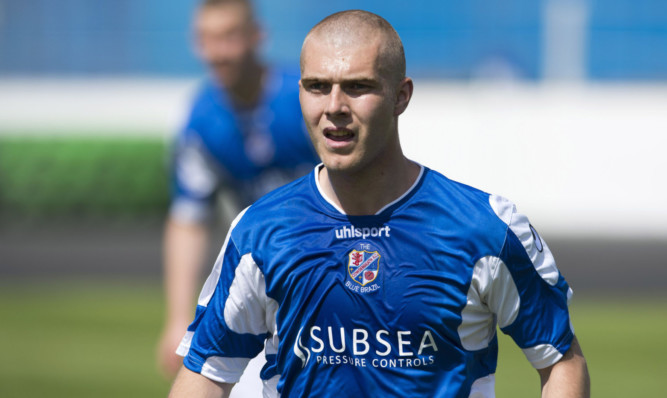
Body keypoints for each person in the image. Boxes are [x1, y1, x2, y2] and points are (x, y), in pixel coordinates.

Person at [169, 9, 590, 397]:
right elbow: (206, 373)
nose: (334, 107)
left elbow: (560, 362)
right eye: (318, 87)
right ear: (301, 93)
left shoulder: (483, 229)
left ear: (401, 96)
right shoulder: (259, 232)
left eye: (357, 87)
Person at [157, 0, 319, 378]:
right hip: (264, 271)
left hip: (331, 262)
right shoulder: (199, 120)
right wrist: (178, 317)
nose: (217, 52)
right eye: (207, 39)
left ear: (256, 36)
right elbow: (188, 219)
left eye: (229, 37)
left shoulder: (305, 98)